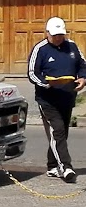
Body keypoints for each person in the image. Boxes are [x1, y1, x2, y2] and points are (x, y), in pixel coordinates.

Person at [28, 16, 86, 183]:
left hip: (67, 96)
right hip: (47, 99)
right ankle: (65, 167)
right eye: (55, 35)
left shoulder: (73, 46)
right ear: (47, 33)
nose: (59, 38)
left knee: (61, 133)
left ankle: (52, 166)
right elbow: (32, 73)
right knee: (58, 130)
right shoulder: (40, 49)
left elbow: (83, 65)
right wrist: (47, 83)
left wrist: (82, 79)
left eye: (61, 34)